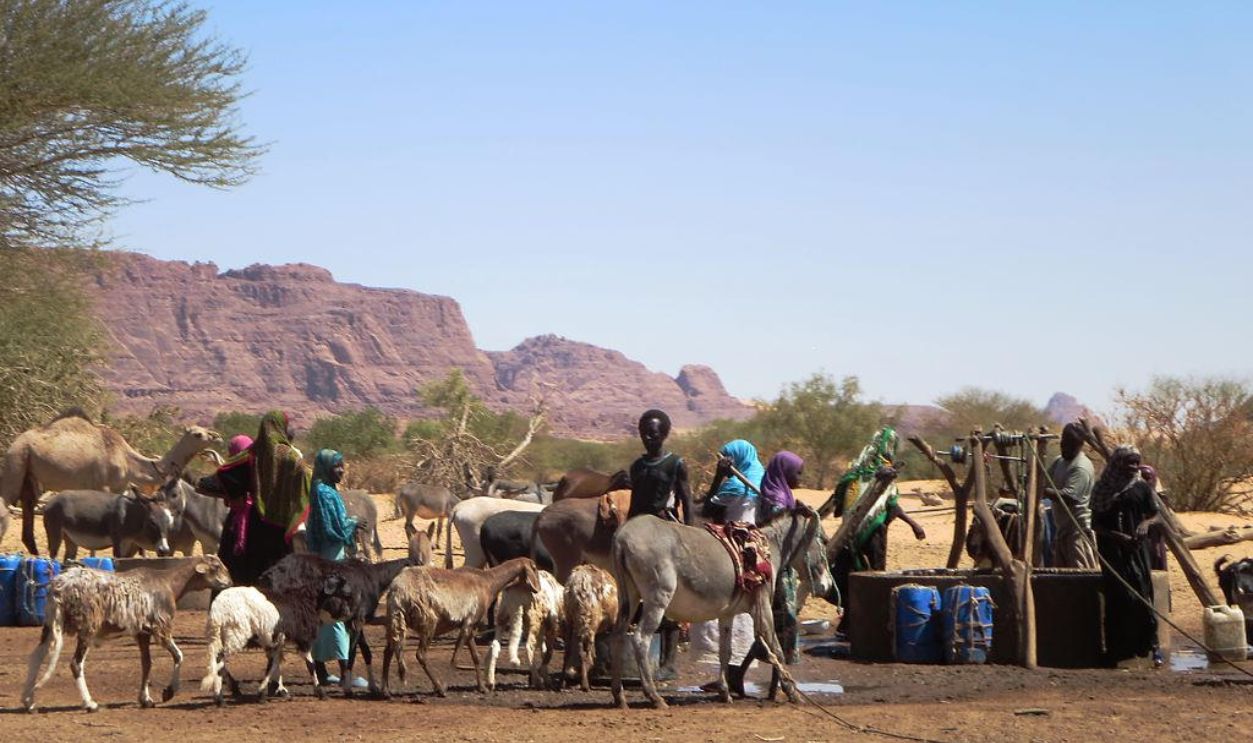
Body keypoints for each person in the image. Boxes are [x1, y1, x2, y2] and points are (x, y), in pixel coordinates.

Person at [828, 427, 925, 635]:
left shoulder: (854, 471)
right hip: (873, 534)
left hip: (848, 533)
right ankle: (868, 623)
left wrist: (912, 524)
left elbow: (840, 501)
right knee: (873, 575)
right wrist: (913, 524)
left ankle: (850, 620)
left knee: (850, 574)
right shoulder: (886, 472)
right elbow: (891, 505)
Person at [198, 411, 310, 586]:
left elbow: (221, 473)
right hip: (280, 529)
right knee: (277, 573)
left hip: (252, 526)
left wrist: (237, 496)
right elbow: (305, 480)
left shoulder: (250, 455)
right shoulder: (292, 458)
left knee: (241, 572)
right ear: (282, 428)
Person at [727, 450, 805, 697]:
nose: (801, 478)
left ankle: (762, 681)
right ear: (785, 472)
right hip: (774, 569)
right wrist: (794, 515)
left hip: (782, 567)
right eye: (798, 473)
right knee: (778, 625)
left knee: (775, 627)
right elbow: (778, 532)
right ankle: (775, 683)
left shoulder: (781, 495)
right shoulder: (775, 499)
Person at [693, 439, 764, 691]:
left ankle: (730, 676)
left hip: (733, 543)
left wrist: (718, 477)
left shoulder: (735, 484)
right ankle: (731, 676)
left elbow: (706, 509)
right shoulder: (759, 475)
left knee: (724, 606)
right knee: (739, 613)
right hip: (753, 545)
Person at [1092, 445, 1162, 667]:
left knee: (1142, 595)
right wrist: (1117, 536)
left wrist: (1144, 524)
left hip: (1137, 551)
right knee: (1119, 598)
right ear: (1118, 463)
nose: (1134, 467)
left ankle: (1151, 646)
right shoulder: (1103, 489)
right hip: (1113, 553)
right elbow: (1095, 524)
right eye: (1129, 462)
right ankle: (1118, 650)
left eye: (1136, 462)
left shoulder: (1141, 487)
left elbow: (1155, 515)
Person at [306, 449, 366, 687]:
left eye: (342, 465)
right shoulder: (323, 492)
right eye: (336, 466)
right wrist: (353, 523)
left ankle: (322, 671)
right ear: (326, 468)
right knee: (338, 611)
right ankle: (344, 674)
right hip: (331, 556)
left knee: (322, 614)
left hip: (328, 555)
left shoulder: (326, 490)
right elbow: (333, 530)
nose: (341, 470)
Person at [1043, 423, 1098, 569]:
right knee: (1061, 578)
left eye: (1069, 445)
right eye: (1063, 444)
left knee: (1080, 576)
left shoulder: (1081, 467)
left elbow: (1070, 497)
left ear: (1079, 445)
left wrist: (1044, 490)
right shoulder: (1059, 461)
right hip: (1062, 530)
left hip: (1078, 532)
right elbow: (1044, 480)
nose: (1064, 448)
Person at [627, 409, 693, 525]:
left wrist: (691, 531)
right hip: (638, 525)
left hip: (665, 524)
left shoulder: (675, 463)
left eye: (652, 434)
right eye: (643, 433)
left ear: (664, 434)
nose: (646, 437)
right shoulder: (637, 466)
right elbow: (634, 503)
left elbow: (687, 501)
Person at [705, 439, 765, 524]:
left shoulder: (734, 485)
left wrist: (719, 475)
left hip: (737, 531)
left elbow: (706, 511)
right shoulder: (762, 474)